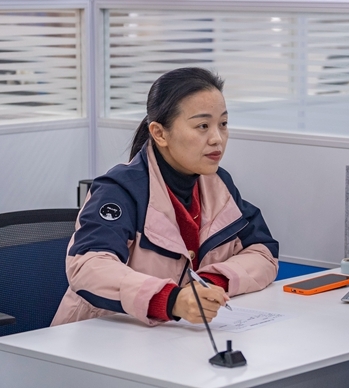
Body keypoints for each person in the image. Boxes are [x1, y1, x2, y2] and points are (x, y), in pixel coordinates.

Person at [52, 68, 279, 326]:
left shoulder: (218, 185)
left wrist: (212, 282)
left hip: (171, 337)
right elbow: (88, 267)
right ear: (160, 133)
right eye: (203, 126)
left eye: (223, 124)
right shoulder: (121, 190)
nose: (217, 138)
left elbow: (263, 252)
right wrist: (171, 300)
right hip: (96, 336)